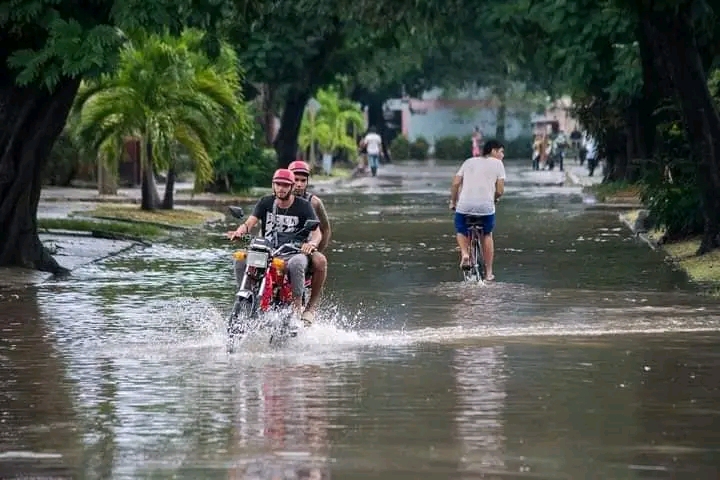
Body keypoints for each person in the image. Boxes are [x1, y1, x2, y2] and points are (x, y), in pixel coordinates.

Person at [227, 169, 322, 324]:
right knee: (240, 259)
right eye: (278, 184)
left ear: (291, 187)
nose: (281, 188)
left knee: (297, 263)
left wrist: (311, 244)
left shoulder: (304, 206)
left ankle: (297, 309)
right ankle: (244, 294)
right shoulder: (265, 202)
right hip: (268, 250)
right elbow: (250, 222)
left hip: (293, 252)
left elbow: (317, 233)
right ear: (273, 185)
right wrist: (239, 232)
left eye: (285, 185)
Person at [449, 139, 506, 282]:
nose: (502, 155)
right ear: (493, 151)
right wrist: (493, 199)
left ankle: (465, 254)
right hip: (486, 208)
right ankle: (489, 273)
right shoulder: (498, 164)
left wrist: (453, 202)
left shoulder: (468, 162)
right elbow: (500, 190)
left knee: (461, 229)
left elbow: (456, 183)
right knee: (487, 234)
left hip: (464, 206)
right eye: (501, 151)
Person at [288, 160, 331, 324]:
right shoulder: (277, 197)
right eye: (295, 180)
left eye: (303, 180)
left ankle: (310, 308)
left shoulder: (313, 203)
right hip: (280, 246)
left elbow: (325, 229)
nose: (298, 184)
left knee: (320, 261)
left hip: (305, 247)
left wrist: (316, 248)